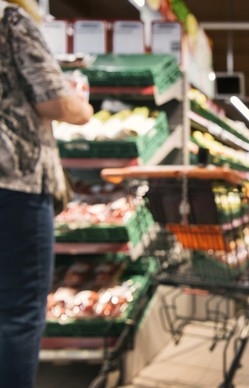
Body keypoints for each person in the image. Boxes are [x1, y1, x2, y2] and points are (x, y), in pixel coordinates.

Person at [0, 1, 93, 386]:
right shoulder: (11, 19)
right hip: (15, 179)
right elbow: (54, 100)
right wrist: (82, 106)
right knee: (18, 311)